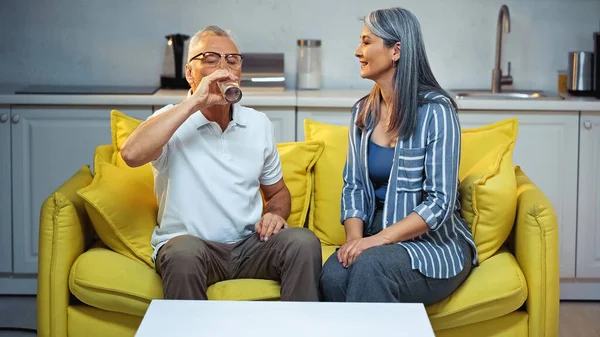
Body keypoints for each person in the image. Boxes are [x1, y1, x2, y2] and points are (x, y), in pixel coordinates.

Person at [121, 26, 322, 301]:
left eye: (231, 60)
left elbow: (278, 193)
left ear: (239, 72)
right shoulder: (171, 120)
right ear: (190, 73)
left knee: (303, 242)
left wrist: (275, 213)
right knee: (183, 253)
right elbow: (131, 154)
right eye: (210, 58)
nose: (223, 68)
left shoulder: (258, 123)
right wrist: (194, 103)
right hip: (193, 248)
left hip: (250, 246)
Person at [319, 7, 478, 304]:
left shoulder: (437, 112)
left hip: (434, 246)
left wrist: (376, 242)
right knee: (333, 274)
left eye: (367, 42)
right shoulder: (362, 113)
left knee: (370, 266)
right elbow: (353, 187)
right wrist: (355, 242)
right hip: (375, 239)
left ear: (396, 51)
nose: (357, 51)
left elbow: (440, 203)